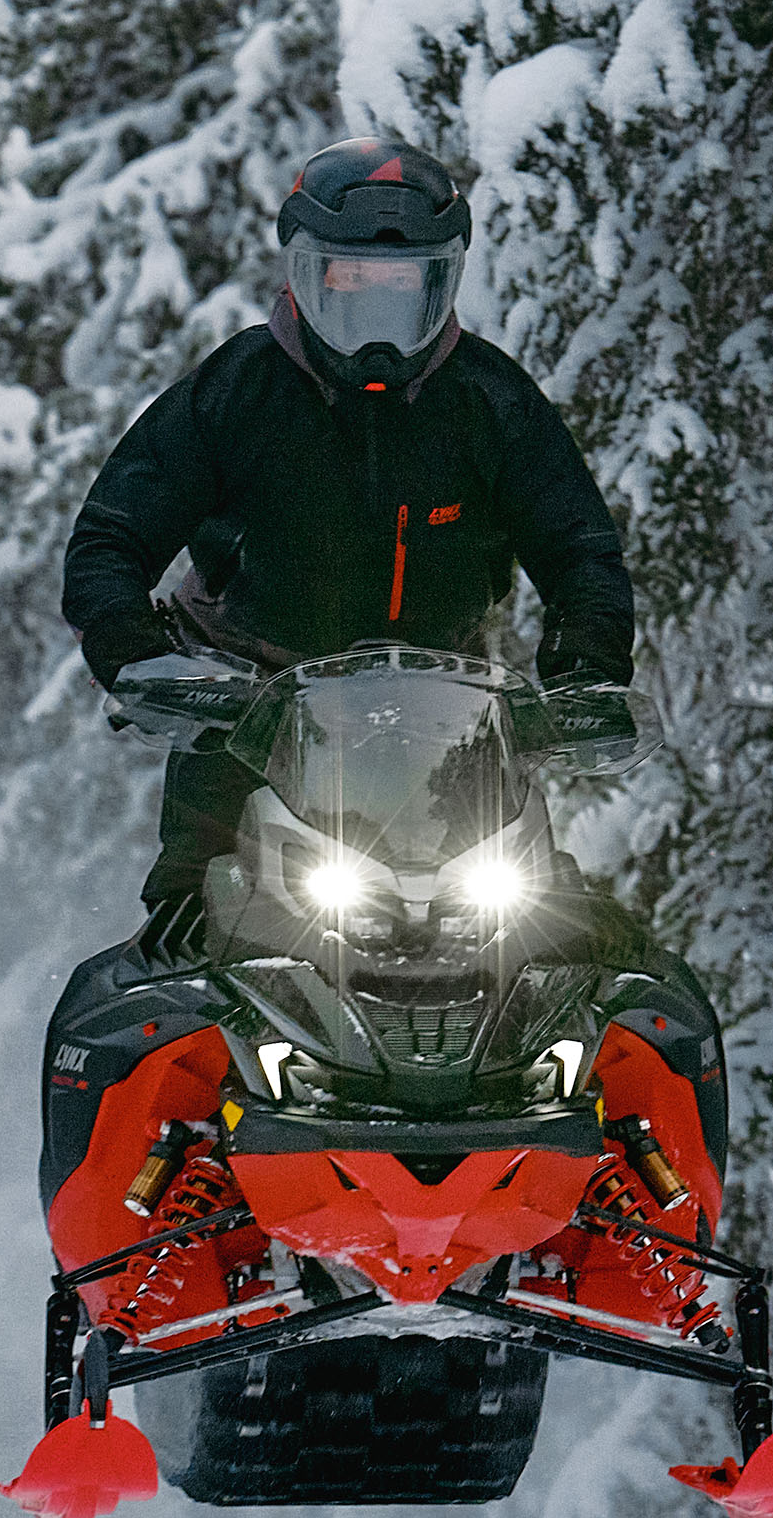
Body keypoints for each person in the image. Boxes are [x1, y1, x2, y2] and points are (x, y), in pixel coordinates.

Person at [62, 135, 635, 954]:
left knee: (564, 950)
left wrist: (587, 667)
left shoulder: (490, 401)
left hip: (450, 730)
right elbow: (113, 531)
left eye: (402, 289)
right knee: (188, 942)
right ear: (302, 273)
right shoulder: (236, 391)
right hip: (247, 718)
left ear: (443, 281)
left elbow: (581, 547)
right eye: (349, 283)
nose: (375, 318)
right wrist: (135, 649)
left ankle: (588, 1079)